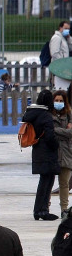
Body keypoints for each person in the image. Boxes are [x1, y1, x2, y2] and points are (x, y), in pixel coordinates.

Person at [22, 89, 60, 220]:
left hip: (38, 150)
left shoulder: (32, 113)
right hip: (48, 152)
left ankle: (38, 210)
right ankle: (42, 210)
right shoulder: (46, 115)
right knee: (47, 182)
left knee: (43, 181)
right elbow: (50, 136)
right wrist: (57, 145)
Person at [52, 90, 72, 219]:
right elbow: (48, 131)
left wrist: (57, 131)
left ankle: (64, 209)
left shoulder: (69, 115)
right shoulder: (48, 115)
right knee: (48, 182)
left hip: (66, 152)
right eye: (56, 100)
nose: (58, 103)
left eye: (61, 101)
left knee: (64, 183)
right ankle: (45, 206)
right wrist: (65, 131)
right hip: (53, 151)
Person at [50, 21, 72, 93]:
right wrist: (61, 64)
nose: (67, 30)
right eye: (65, 28)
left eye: (68, 29)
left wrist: (69, 38)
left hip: (63, 68)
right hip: (59, 69)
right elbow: (54, 53)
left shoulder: (64, 38)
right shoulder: (56, 38)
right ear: (60, 28)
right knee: (59, 90)